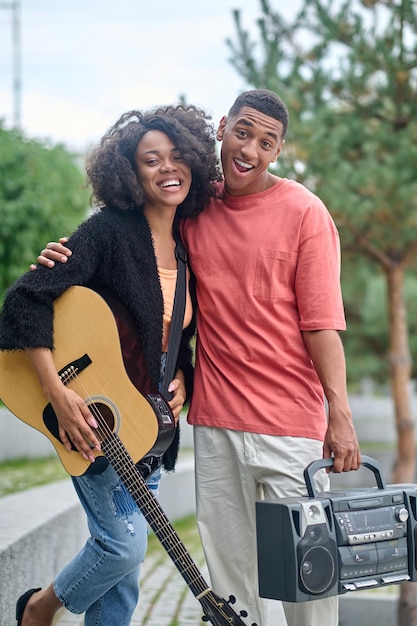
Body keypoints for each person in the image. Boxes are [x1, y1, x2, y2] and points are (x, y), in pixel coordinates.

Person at [33, 89, 361, 626]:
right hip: (214, 424)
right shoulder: (193, 208)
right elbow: (151, 290)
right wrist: (60, 256)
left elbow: (322, 324)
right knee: (233, 584)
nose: (250, 149)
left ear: (278, 152)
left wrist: (339, 412)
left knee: (309, 581)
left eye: (266, 142)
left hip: (291, 428)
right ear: (223, 128)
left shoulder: (306, 212)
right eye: (243, 132)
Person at [0, 104, 221, 626]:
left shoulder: (188, 245)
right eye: (151, 160)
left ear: (191, 159)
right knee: (121, 547)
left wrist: (183, 377)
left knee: (122, 588)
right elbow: (24, 302)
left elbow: (170, 336)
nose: (167, 168)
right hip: (91, 420)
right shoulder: (109, 231)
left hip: (148, 426)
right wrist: (58, 392)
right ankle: (36, 608)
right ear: (130, 173)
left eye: (175, 156)